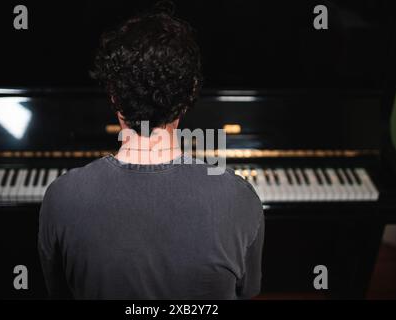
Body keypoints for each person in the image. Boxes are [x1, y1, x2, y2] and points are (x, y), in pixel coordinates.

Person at [38, 3, 264, 299]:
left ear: (114, 97)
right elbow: (247, 292)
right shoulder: (241, 198)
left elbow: (59, 292)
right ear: (188, 95)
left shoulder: (60, 197)